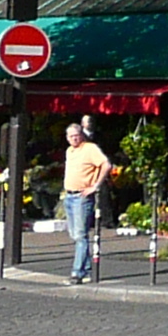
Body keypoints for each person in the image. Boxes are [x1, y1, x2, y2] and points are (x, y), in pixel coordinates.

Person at [61, 120, 115, 285]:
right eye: (71, 136)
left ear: (81, 135)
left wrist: (95, 186)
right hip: (69, 196)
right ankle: (86, 268)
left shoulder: (90, 149)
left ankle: (77, 272)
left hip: (81, 197)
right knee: (74, 234)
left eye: (76, 136)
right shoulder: (69, 151)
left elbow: (106, 164)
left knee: (80, 235)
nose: (74, 139)